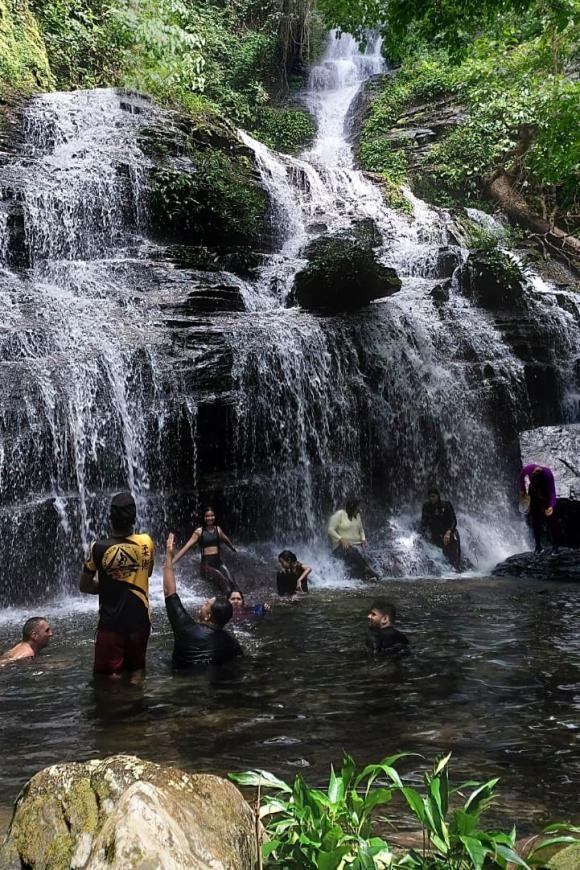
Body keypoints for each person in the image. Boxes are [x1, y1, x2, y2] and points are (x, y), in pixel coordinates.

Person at [79, 491, 154, 677]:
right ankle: (137, 703)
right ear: (134, 518)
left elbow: (84, 586)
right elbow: (148, 572)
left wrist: (109, 585)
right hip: (139, 621)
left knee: (109, 679)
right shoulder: (146, 542)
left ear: (109, 518)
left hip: (111, 625)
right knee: (137, 672)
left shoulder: (97, 547)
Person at [164, 533, 243, 668]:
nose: (204, 602)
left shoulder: (186, 628)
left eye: (207, 603)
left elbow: (169, 592)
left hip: (181, 682)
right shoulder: (230, 642)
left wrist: (168, 556)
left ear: (208, 616)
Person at [172, 507, 237, 595]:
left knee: (231, 580)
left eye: (212, 516)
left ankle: (237, 602)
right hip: (206, 565)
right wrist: (172, 562)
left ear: (214, 516)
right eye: (207, 516)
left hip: (218, 562)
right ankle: (227, 603)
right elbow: (186, 547)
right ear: (204, 518)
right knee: (223, 581)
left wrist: (233, 548)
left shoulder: (218, 529)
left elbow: (226, 540)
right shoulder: (199, 531)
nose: (210, 518)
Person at [327, 495, 378, 581]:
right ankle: (367, 570)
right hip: (340, 548)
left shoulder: (357, 516)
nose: (359, 510)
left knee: (356, 552)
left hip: (355, 547)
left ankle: (366, 575)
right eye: (357, 507)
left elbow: (361, 530)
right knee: (352, 551)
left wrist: (363, 538)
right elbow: (330, 530)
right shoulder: (339, 515)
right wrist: (341, 539)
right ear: (351, 508)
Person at [518, 463, 558, 554]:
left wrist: (551, 506)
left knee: (551, 519)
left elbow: (552, 493)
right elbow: (521, 478)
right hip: (533, 490)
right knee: (535, 519)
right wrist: (523, 491)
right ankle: (538, 546)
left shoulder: (548, 475)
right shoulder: (527, 469)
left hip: (545, 493)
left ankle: (555, 545)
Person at [420, 487, 461, 570]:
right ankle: (444, 570)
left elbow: (454, 521)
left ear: (438, 496)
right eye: (430, 497)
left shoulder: (446, 505)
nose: (431, 499)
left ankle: (457, 568)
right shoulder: (426, 506)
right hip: (436, 533)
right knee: (442, 551)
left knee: (454, 545)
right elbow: (423, 523)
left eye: (433, 496)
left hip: (449, 531)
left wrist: (449, 532)